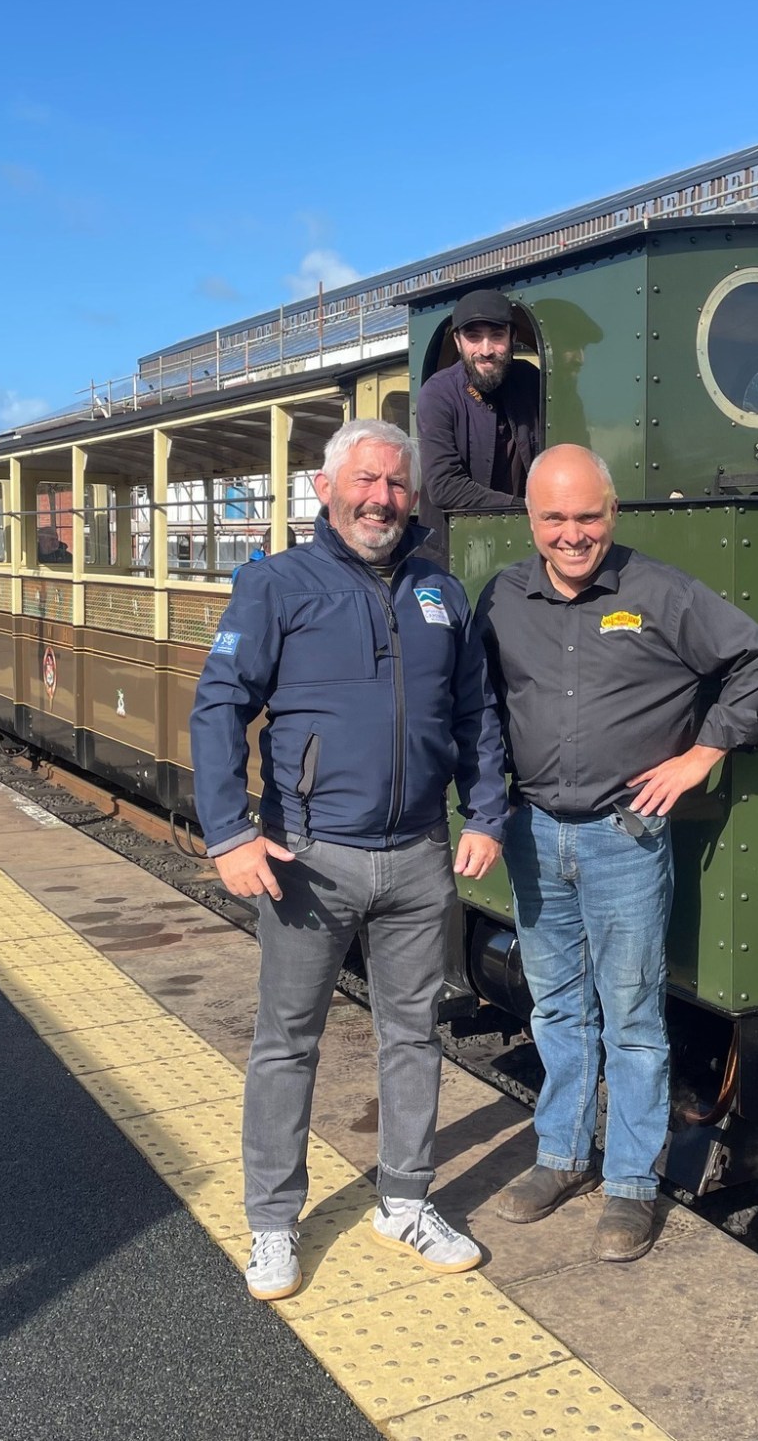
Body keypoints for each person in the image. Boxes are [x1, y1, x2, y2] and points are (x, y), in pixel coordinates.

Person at [190, 416, 509, 1301]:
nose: (381, 498)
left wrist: (485, 813)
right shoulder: (275, 585)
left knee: (414, 1035)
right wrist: (229, 832)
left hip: (419, 855)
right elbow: (219, 705)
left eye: (397, 483)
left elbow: (476, 715)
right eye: (365, 480)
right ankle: (272, 1223)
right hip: (308, 859)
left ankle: (404, 1201)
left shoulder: (440, 591)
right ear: (325, 489)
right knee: (287, 1042)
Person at [475, 445, 758, 1261]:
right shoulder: (501, 597)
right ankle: (561, 1158)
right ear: (531, 521)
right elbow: (480, 706)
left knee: (634, 1020)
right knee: (556, 1008)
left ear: (612, 514)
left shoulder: (660, 592)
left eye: (588, 516)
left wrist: (702, 755)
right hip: (534, 832)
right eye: (555, 518)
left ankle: (631, 1186)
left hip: (625, 837)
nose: (573, 534)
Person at [413, 288, 543, 566]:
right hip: (455, 553)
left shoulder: (531, 380)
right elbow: (445, 486)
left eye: (496, 336)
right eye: (474, 337)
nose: (486, 350)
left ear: (512, 337)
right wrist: (524, 509)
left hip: (522, 544)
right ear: (458, 341)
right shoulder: (438, 393)